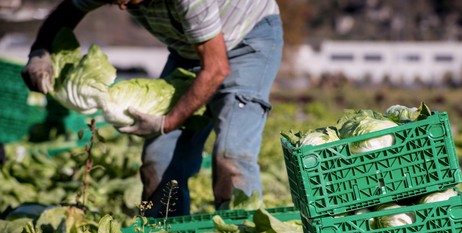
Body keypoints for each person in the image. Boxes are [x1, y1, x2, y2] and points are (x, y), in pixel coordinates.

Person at [22, 0, 283, 217]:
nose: (123, 8)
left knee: (231, 153)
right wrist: (40, 52)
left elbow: (216, 68)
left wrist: (165, 123)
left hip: (248, 41)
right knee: (159, 158)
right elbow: (67, 12)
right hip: (190, 51)